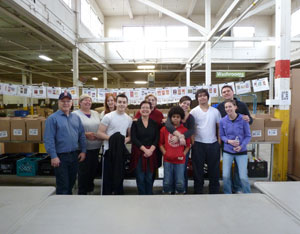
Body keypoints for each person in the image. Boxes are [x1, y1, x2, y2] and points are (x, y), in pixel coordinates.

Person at [44, 91, 86, 195]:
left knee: (71, 183)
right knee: (63, 185)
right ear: (58, 102)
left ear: (72, 103)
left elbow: (81, 135)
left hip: (74, 155)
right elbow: (49, 139)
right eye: (63, 101)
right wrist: (53, 156)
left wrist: (83, 151)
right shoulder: (52, 119)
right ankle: (61, 207)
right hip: (60, 157)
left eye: (68, 101)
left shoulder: (76, 118)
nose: (66, 103)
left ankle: (69, 206)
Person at [217, 85, 253, 193]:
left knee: (240, 173)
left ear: (233, 92)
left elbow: (249, 121)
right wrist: (227, 141)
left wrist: (247, 119)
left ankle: (238, 188)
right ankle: (228, 192)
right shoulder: (219, 108)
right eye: (224, 92)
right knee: (226, 174)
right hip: (227, 147)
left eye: (228, 91)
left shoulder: (242, 106)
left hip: (240, 148)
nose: (226, 93)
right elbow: (221, 131)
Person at [97, 93, 132, 195]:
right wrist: (114, 139)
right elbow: (99, 133)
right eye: (120, 102)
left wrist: (125, 140)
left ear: (127, 104)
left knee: (119, 177)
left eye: (124, 102)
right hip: (108, 151)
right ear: (116, 103)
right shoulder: (108, 117)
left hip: (120, 152)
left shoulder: (128, 119)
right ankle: (106, 199)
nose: (122, 104)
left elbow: (129, 136)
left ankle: (118, 197)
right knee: (107, 178)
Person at [190, 89, 221, 194]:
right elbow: (192, 128)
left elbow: (219, 127)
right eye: (200, 96)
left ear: (208, 97)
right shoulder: (194, 111)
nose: (202, 97)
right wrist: (193, 142)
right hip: (198, 144)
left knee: (214, 169)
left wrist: (219, 142)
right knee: (198, 169)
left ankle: (214, 190)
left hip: (213, 144)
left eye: (204, 95)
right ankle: (198, 190)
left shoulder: (215, 111)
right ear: (197, 98)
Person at [164, 96, 195, 193]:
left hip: (183, 148)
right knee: (170, 171)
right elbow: (168, 126)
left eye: (188, 104)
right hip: (170, 147)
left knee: (182, 170)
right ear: (179, 103)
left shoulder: (190, 117)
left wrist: (179, 137)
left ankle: (182, 190)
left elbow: (191, 131)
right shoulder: (172, 114)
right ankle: (170, 190)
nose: (185, 105)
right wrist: (179, 136)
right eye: (184, 103)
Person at [73, 94, 102, 195]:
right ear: (80, 102)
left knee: (93, 170)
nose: (87, 102)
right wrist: (85, 134)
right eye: (85, 100)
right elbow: (72, 131)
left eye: (89, 100)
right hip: (82, 148)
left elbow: (101, 127)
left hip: (96, 146)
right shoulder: (75, 114)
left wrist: (100, 135)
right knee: (83, 171)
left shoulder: (95, 113)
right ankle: (82, 192)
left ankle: (90, 189)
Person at [159, 106, 191, 194]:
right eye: (173, 117)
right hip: (167, 160)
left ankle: (180, 194)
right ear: (170, 118)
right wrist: (165, 153)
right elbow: (160, 144)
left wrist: (183, 154)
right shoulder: (164, 129)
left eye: (178, 117)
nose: (176, 119)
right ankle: (166, 193)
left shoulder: (185, 130)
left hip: (180, 161)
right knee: (167, 181)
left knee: (180, 181)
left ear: (181, 118)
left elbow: (188, 145)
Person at [131, 101, 159, 195]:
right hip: (139, 153)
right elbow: (134, 138)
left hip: (151, 153)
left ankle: (149, 194)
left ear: (151, 110)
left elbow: (157, 138)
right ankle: (142, 195)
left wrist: (150, 150)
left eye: (147, 108)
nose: (145, 109)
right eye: (143, 107)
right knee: (140, 176)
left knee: (150, 176)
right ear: (140, 109)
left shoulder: (154, 124)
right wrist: (145, 149)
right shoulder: (135, 123)